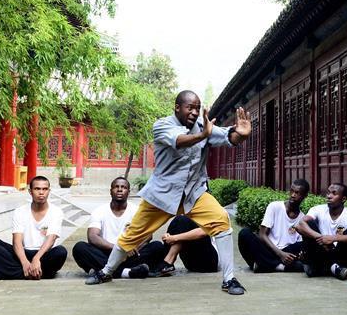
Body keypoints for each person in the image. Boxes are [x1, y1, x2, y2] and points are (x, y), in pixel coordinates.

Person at [85, 91, 251, 295]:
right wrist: (203, 135)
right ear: (177, 107)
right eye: (189, 107)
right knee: (132, 235)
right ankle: (107, 271)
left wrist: (240, 134)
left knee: (221, 221)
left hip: (193, 193)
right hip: (163, 195)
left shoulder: (203, 126)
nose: (194, 112)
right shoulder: (162, 125)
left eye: (197, 108)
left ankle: (229, 279)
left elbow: (227, 137)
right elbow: (180, 140)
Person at [72, 177, 166, 279]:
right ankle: (128, 273)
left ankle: (103, 270)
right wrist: (120, 249)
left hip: (131, 255)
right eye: (116, 187)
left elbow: (148, 235)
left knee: (157, 247)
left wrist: (133, 248)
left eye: (123, 187)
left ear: (128, 192)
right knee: (80, 248)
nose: (120, 189)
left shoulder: (136, 211)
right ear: (110, 191)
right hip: (107, 253)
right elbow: (92, 237)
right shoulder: (99, 211)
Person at [0, 176, 67, 280]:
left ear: (49, 191)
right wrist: (24, 262)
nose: (41, 192)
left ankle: (14, 272)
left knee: (60, 252)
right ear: (30, 191)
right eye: (37, 189)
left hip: (44, 254)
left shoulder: (56, 212)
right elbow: (17, 241)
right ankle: (37, 273)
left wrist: (36, 259)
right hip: (23, 253)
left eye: (45, 189)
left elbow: (51, 239)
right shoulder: (20, 211)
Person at [295, 183, 347, 279]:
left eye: (334, 193)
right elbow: (299, 225)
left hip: (341, 254)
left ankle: (324, 267)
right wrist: (321, 238)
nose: (329, 196)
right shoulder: (318, 209)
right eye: (328, 193)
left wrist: (334, 238)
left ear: (343, 199)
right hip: (321, 250)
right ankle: (333, 268)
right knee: (308, 224)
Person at [237, 179, 310, 273]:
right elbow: (262, 235)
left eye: (297, 193)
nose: (292, 195)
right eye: (291, 191)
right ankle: (279, 266)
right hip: (269, 248)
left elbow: (299, 245)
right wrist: (280, 254)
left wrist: (299, 255)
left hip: (287, 252)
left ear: (305, 196)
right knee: (244, 233)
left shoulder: (302, 219)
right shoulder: (274, 206)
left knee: (304, 245)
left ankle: (263, 264)